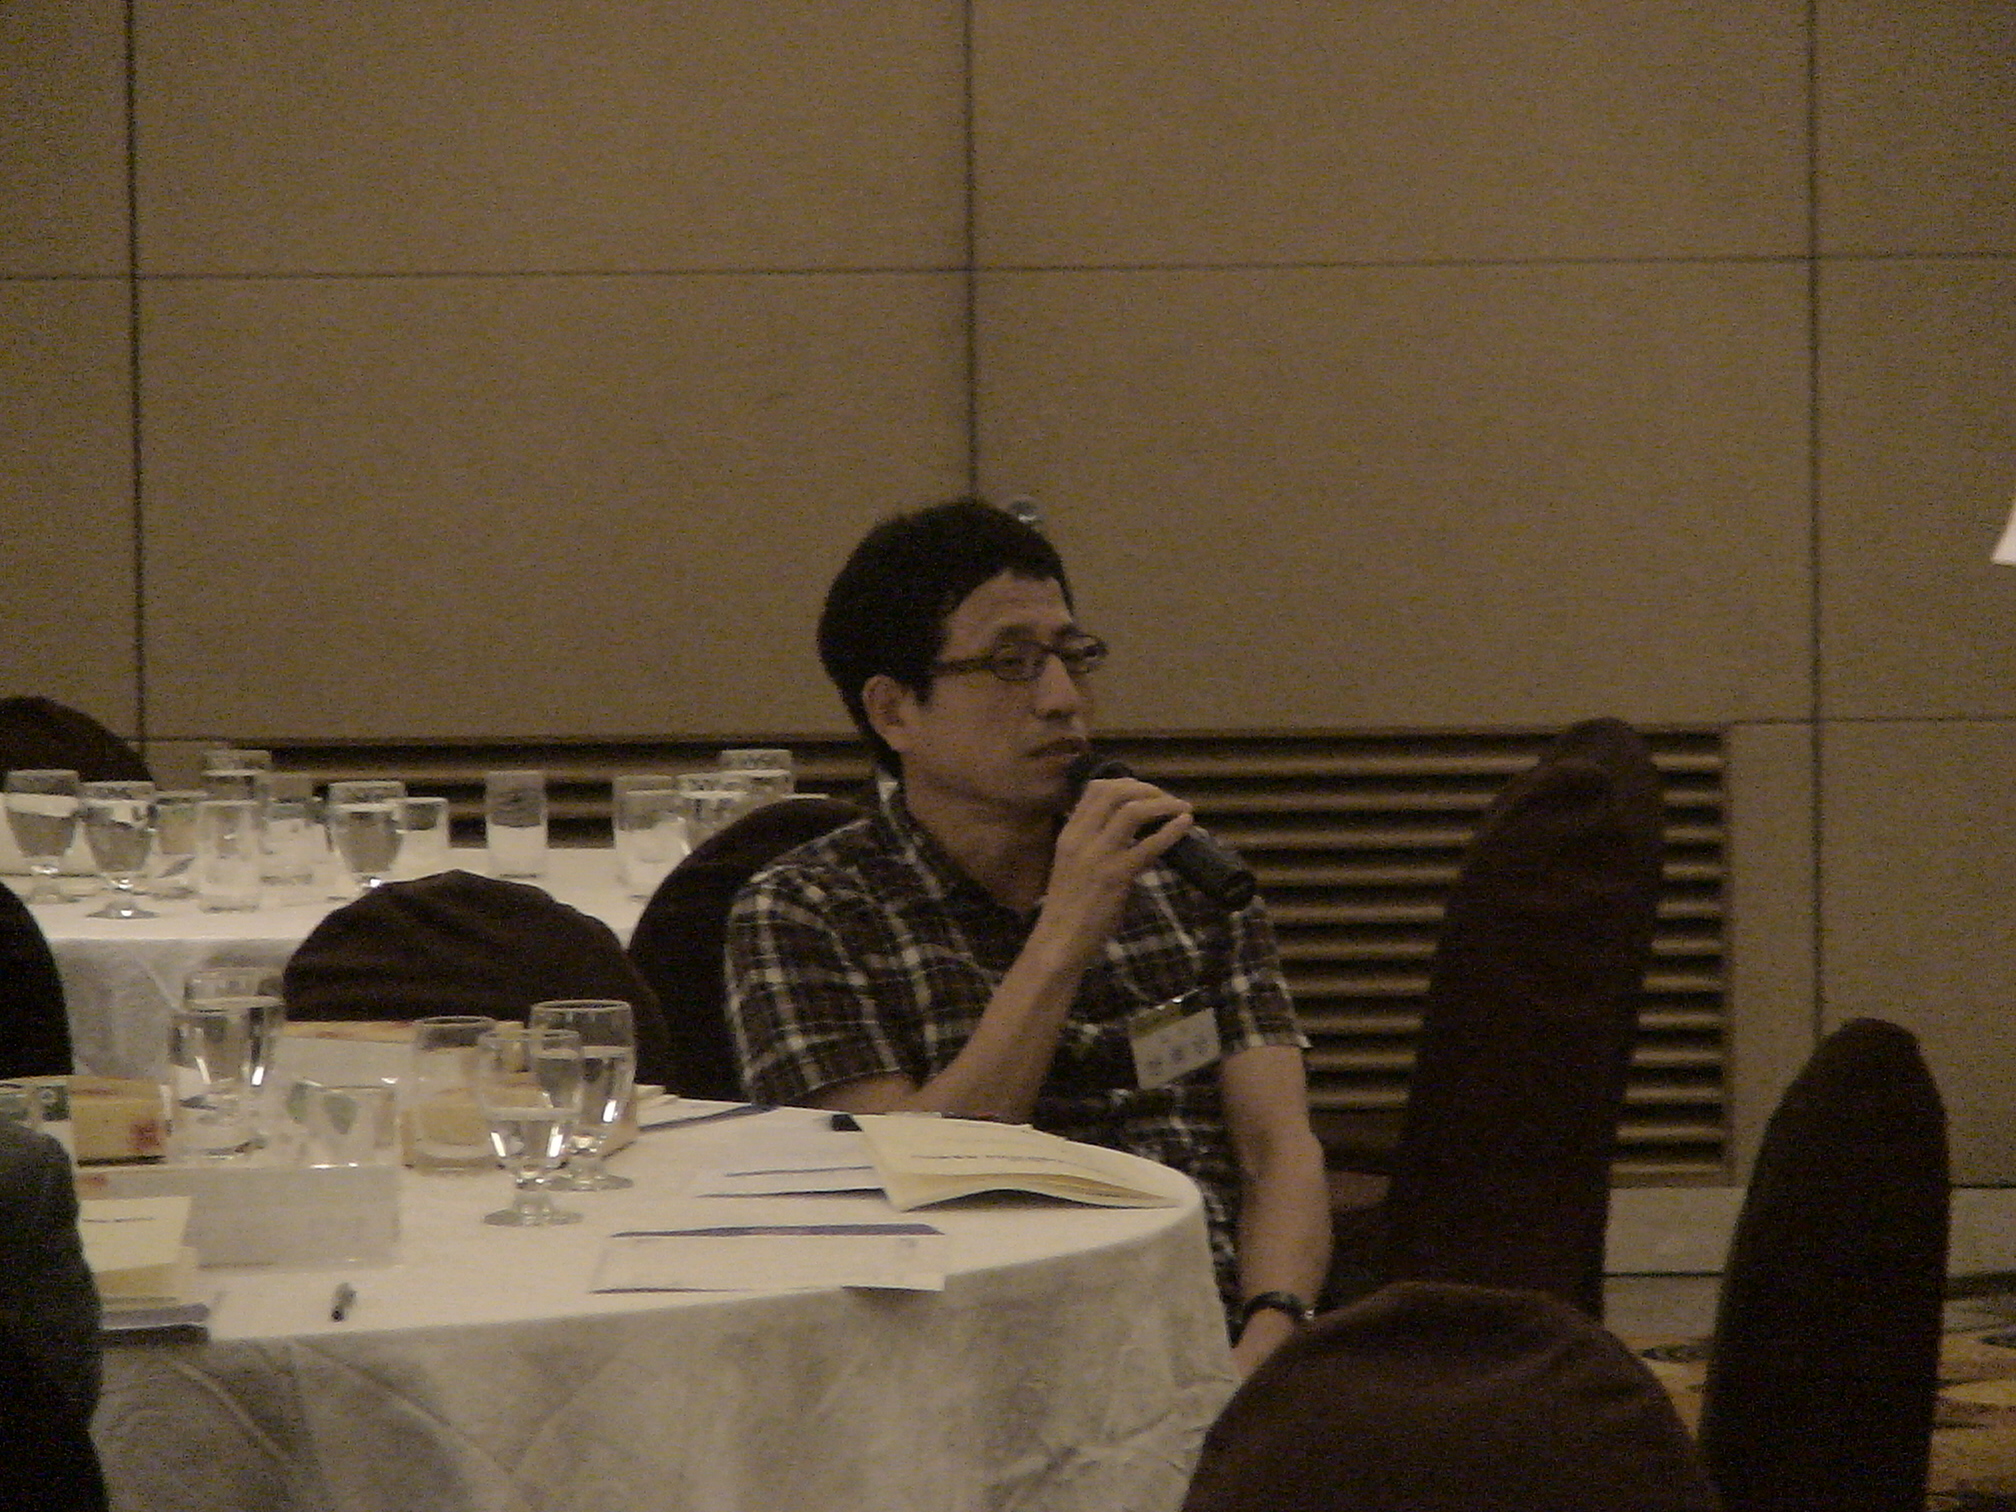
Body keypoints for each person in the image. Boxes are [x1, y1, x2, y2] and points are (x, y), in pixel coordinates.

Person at [725, 498, 1331, 1375]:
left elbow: (1279, 1148)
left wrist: (1273, 1336)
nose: (1062, 700)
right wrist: (1063, 937)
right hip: (967, 1357)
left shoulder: (1183, 877)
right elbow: (902, 1184)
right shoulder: (806, 910)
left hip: (1206, 1330)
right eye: (1011, 665)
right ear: (895, 713)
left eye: (1073, 657)